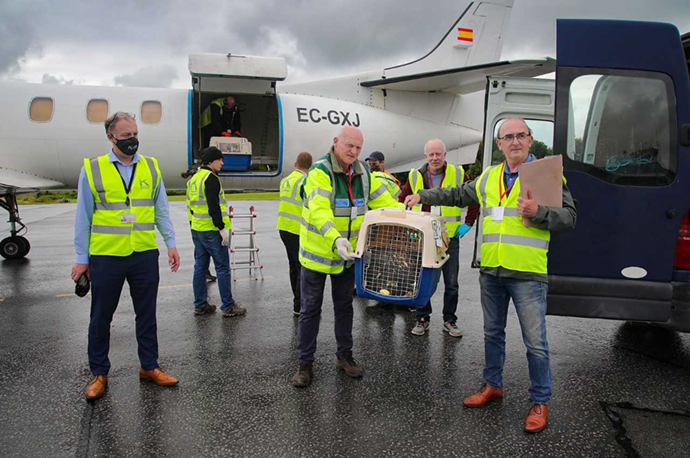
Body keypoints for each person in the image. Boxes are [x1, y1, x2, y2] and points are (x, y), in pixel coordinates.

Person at [404, 118, 577, 433]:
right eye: (507, 137)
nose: (514, 141)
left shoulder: (546, 174)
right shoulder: (490, 177)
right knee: (492, 334)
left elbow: (569, 218)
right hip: (492, 271)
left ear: (530, 140)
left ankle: (540, 401)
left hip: (527, 273)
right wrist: (423, 197)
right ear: (499, 144)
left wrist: (538, 212)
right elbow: (457, 194)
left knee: (535, 343)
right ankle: (492, 385)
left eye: (520, 136)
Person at [71, 111, 181, 401]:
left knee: (146, 315)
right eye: (126, 136)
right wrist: (82, 258)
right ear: (111, 137)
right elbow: (83, 217)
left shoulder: (151, 167)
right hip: (106, 256)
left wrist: (170, 243)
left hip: (144, 253)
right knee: (100, 317)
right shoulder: (92, 169)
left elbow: (161, 210)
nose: (133, 140)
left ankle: (149, 366)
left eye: (135, 134)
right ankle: (99, 372)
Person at [292, 126, 405, 388]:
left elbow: (384, 202)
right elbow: (319, 211)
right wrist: (335, 239)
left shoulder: (363, 173)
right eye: (349, 146)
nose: (353, 152)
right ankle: (304, 364)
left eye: (358, 148)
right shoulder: (320, 172)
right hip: (317, 256)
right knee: (310, 311)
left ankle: (344, 356)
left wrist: (412, 215)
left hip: (347, 257)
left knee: (344, 307)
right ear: (336, 143)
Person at [398, 139, 479, 338]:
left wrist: (468, 222)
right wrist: (408, 224)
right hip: (422, 238)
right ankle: (422, 317)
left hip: (449, 238)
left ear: (445, 155)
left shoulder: (459, 173)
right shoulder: (415, 175)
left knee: (451, 282)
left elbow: (474, 197)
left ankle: (449, 320)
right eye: (431, 154)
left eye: (438, 154)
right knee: (422, 279)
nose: (435, 158)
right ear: (425, 156)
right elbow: (402, 200)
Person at [186, 147, 246, 318]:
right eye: (220, 159)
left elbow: (190, 206)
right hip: (212, 230)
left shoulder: (194, 179)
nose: (222, 163)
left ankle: (200, 304)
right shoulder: (211, 179)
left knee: (200, 267)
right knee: (222, 268)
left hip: (197, 228)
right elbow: (214, 207)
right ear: (211, 161)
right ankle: (228, 306)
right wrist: (221, 228)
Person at [277, 152, 313, 316]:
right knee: (302, 268)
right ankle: (299, 305)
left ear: (296, 163)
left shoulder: (285, 180)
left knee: (293, 266)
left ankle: (296, 301)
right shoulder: (305, 181)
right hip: (297, 229)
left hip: (283, 227)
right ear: (309, 167)